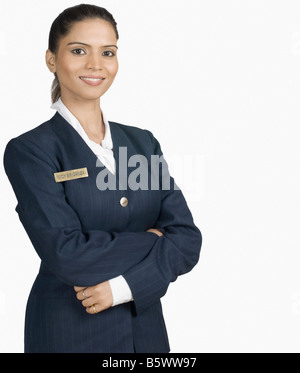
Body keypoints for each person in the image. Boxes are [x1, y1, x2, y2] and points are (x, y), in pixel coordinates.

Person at [3, 4, 202, 353]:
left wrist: (124, 287)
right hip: (69, 331)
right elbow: (67, 254)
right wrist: (155, 240)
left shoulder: (142, 144)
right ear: (51, 60)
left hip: (147, 334)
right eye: (79, 51)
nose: (96, 65)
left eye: (107, 53)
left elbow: (186, 239)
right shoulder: (31, 151)